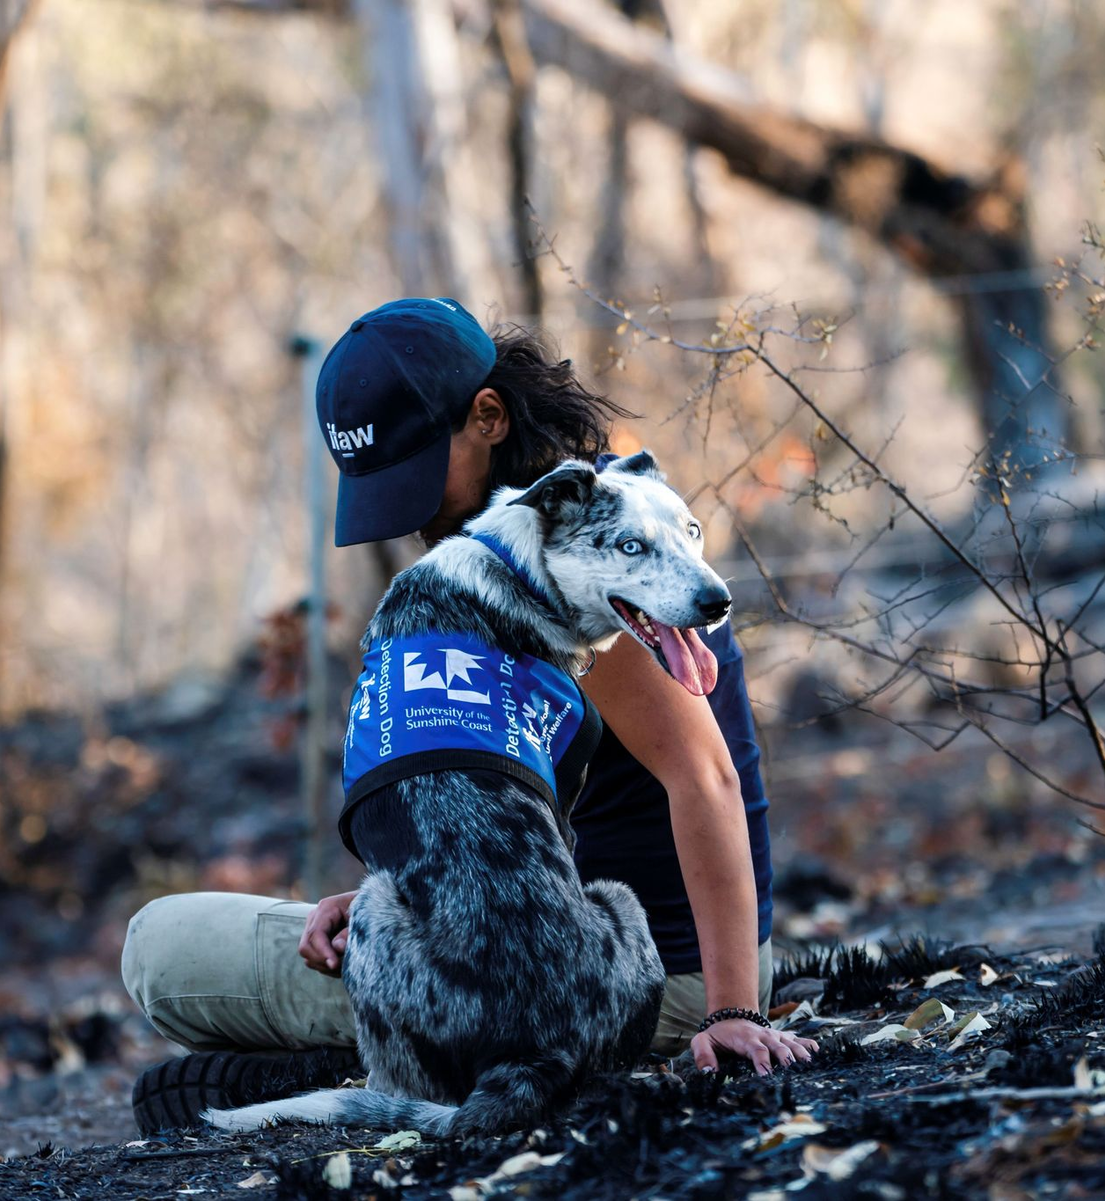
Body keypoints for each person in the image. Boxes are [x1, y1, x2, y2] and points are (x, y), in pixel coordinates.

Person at [121, 298, 816, 1134]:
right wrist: (413, 879)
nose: (411, 516)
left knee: (162, 949)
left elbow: (704, 775)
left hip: (636, 985)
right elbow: (511, 797)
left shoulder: (570, 563)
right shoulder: (606, 512)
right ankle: (399, 1059)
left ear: (487, 416)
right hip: (569, 949)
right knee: (317, 927)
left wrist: (729, 1012)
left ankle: (385, 1076)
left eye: (417, 477)